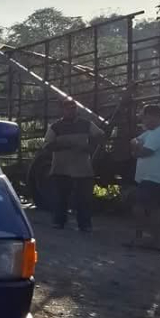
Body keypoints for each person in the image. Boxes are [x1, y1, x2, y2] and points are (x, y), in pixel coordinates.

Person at [42, 97, 104, 232]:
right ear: (62, 110)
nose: (71, 111)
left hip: (82, 168)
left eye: (73, 108)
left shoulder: (86, 124)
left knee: (84, 199)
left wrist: (90, 146)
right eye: (68, 108)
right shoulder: (55, 127)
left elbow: (100, 136)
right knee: (61, 198)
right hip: (61, 168)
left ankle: (85, 225)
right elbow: (47, 146)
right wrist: (64, 144)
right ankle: (59, 222)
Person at [128, 104, 160, 251]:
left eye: (144, 118)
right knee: (150, 207)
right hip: (148, 177)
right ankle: (150, 239)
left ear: (153, 116)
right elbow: (134, 140)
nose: (143, 122)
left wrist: (136, 150)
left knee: (144, 207)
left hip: (155, 177)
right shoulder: (152, 132)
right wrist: (136, 147)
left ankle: (147, 239)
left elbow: (144, 152)